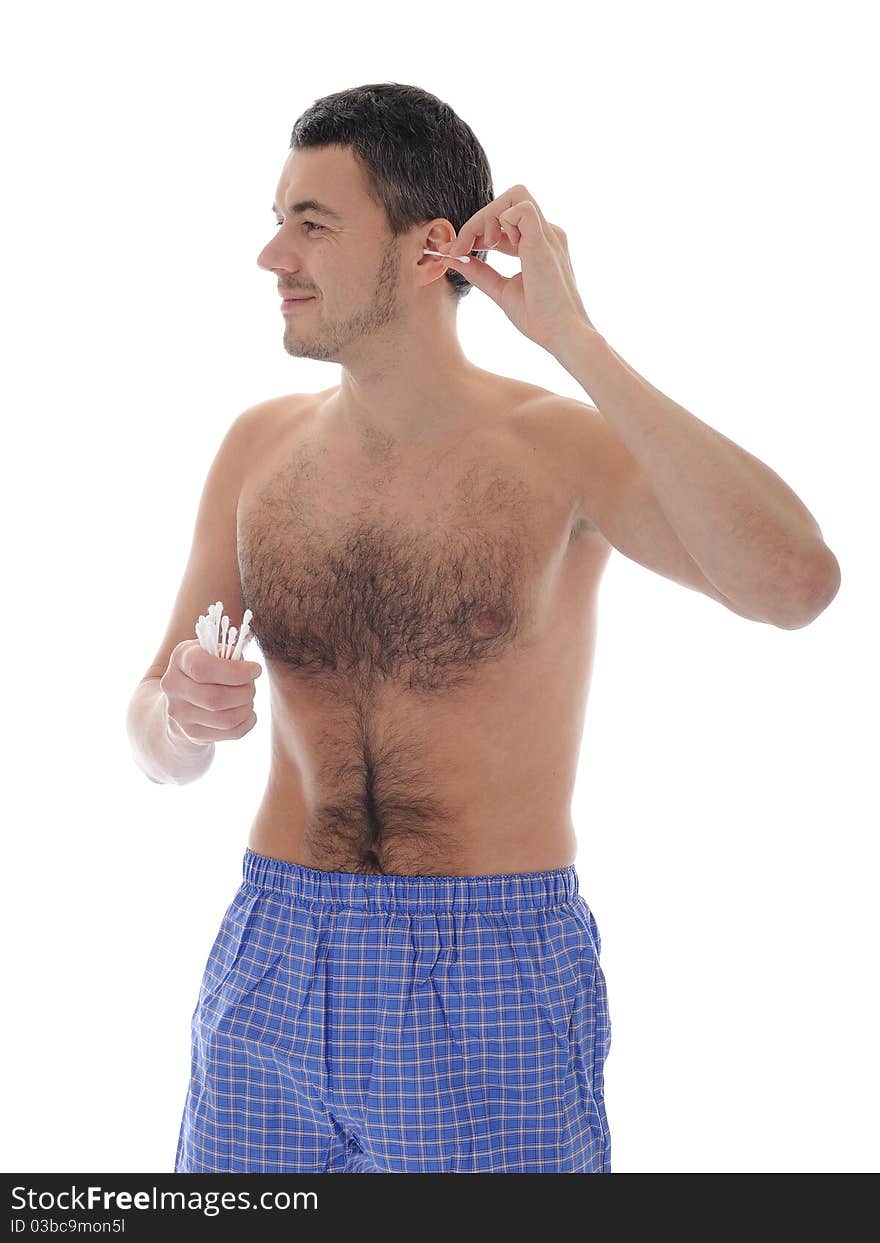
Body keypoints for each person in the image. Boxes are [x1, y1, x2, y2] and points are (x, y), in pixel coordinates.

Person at [126, 83, 840, 1174]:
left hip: (487, 967)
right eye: (276, 221)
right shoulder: (256, 450)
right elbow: (155, 744)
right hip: (270, 953)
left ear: (428, 251)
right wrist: (179, 713)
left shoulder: (559, 450)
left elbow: (794, 584)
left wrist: (574, 337)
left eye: (311, 224)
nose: (274, 257)